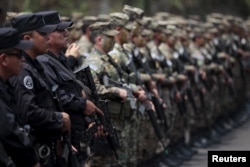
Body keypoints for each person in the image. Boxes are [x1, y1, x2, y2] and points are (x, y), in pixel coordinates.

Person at [34, 11, 105, 163]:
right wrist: (83, 104)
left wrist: (88, 120)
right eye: (60, 30)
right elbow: (57, 97)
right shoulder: (43, 62)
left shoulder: (59, 59)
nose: (66, 33)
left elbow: (72, 90)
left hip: (76, 131)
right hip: (62, 137)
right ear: (47, 35)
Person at [9, 13, 71, 167]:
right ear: (26, 39)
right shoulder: (22, 70)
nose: (48, 38)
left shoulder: (35, 66)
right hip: (35, 149)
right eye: (43, 34)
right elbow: (28, 112)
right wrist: (58, 118)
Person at [0, 27, 40, 167]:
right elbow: (8, 131)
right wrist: (31, 161)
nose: (23, 60)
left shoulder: (6, 85)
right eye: (18, 55)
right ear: (4, 59)